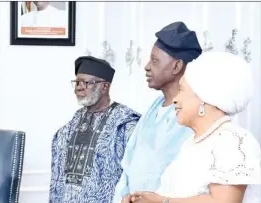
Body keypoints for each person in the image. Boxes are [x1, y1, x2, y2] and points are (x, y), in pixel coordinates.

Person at [129, 52, 261, 203]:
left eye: (182, 90)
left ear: (204, 97)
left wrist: (162, 201)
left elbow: (224, 201)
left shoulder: (232, 140)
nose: (175, 100)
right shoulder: (191, 144)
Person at [112, 21, 202, 203]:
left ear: (176, 66)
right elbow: (128, 164)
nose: (146, 66)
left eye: (154, 60)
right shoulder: (153, 108)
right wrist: (123, 198)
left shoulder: (198, 112)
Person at [49, 56, 141, 203]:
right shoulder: (73, 122)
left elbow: (137, 172)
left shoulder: (125, 123)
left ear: (104, 86)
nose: (78, 87)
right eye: (77, 82)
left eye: (85, 82)